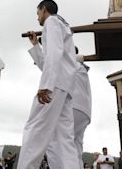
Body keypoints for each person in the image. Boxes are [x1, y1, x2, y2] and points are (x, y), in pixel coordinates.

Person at [18, 0, 80, 169]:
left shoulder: (51, 22)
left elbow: (54, 54)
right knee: (62, 138)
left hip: (54, 85)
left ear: (43, 9)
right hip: (64, 86)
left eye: (38, 13)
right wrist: (36, 45)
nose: (37, 17)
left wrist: (45, 85)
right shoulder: (62, 25)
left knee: (35, 129)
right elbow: (49, 61)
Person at [29, 32, 92, 169]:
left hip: (72, 106)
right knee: (74, 147)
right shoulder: (79, 66)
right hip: (84, 111)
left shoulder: (69, 63)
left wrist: (36, 45)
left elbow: (48, 66)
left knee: (54, 141)